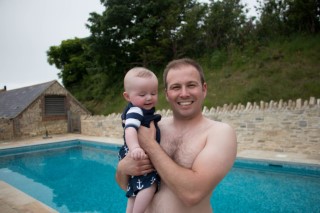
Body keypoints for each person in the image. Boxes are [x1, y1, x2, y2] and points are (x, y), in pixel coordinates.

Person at [116, 58, 237, 213]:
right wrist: (122, 168)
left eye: (191, 85)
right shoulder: (154, 127)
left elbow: (192, 193)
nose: (184, 93)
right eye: (176, 87)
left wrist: (150, 145)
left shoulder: (219, 133)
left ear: (204, 89)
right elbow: (124, 184)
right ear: (167, 94)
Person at [118, 67, 161, 213]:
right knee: (150, 185)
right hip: (136, 152)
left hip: (134, 152)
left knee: (133, 190)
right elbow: (129, 130)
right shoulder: (136, 111)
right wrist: (135, 147)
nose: (149, 97)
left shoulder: (139, 110)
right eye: (142, 94)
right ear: (127, 96)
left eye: (153, 93)